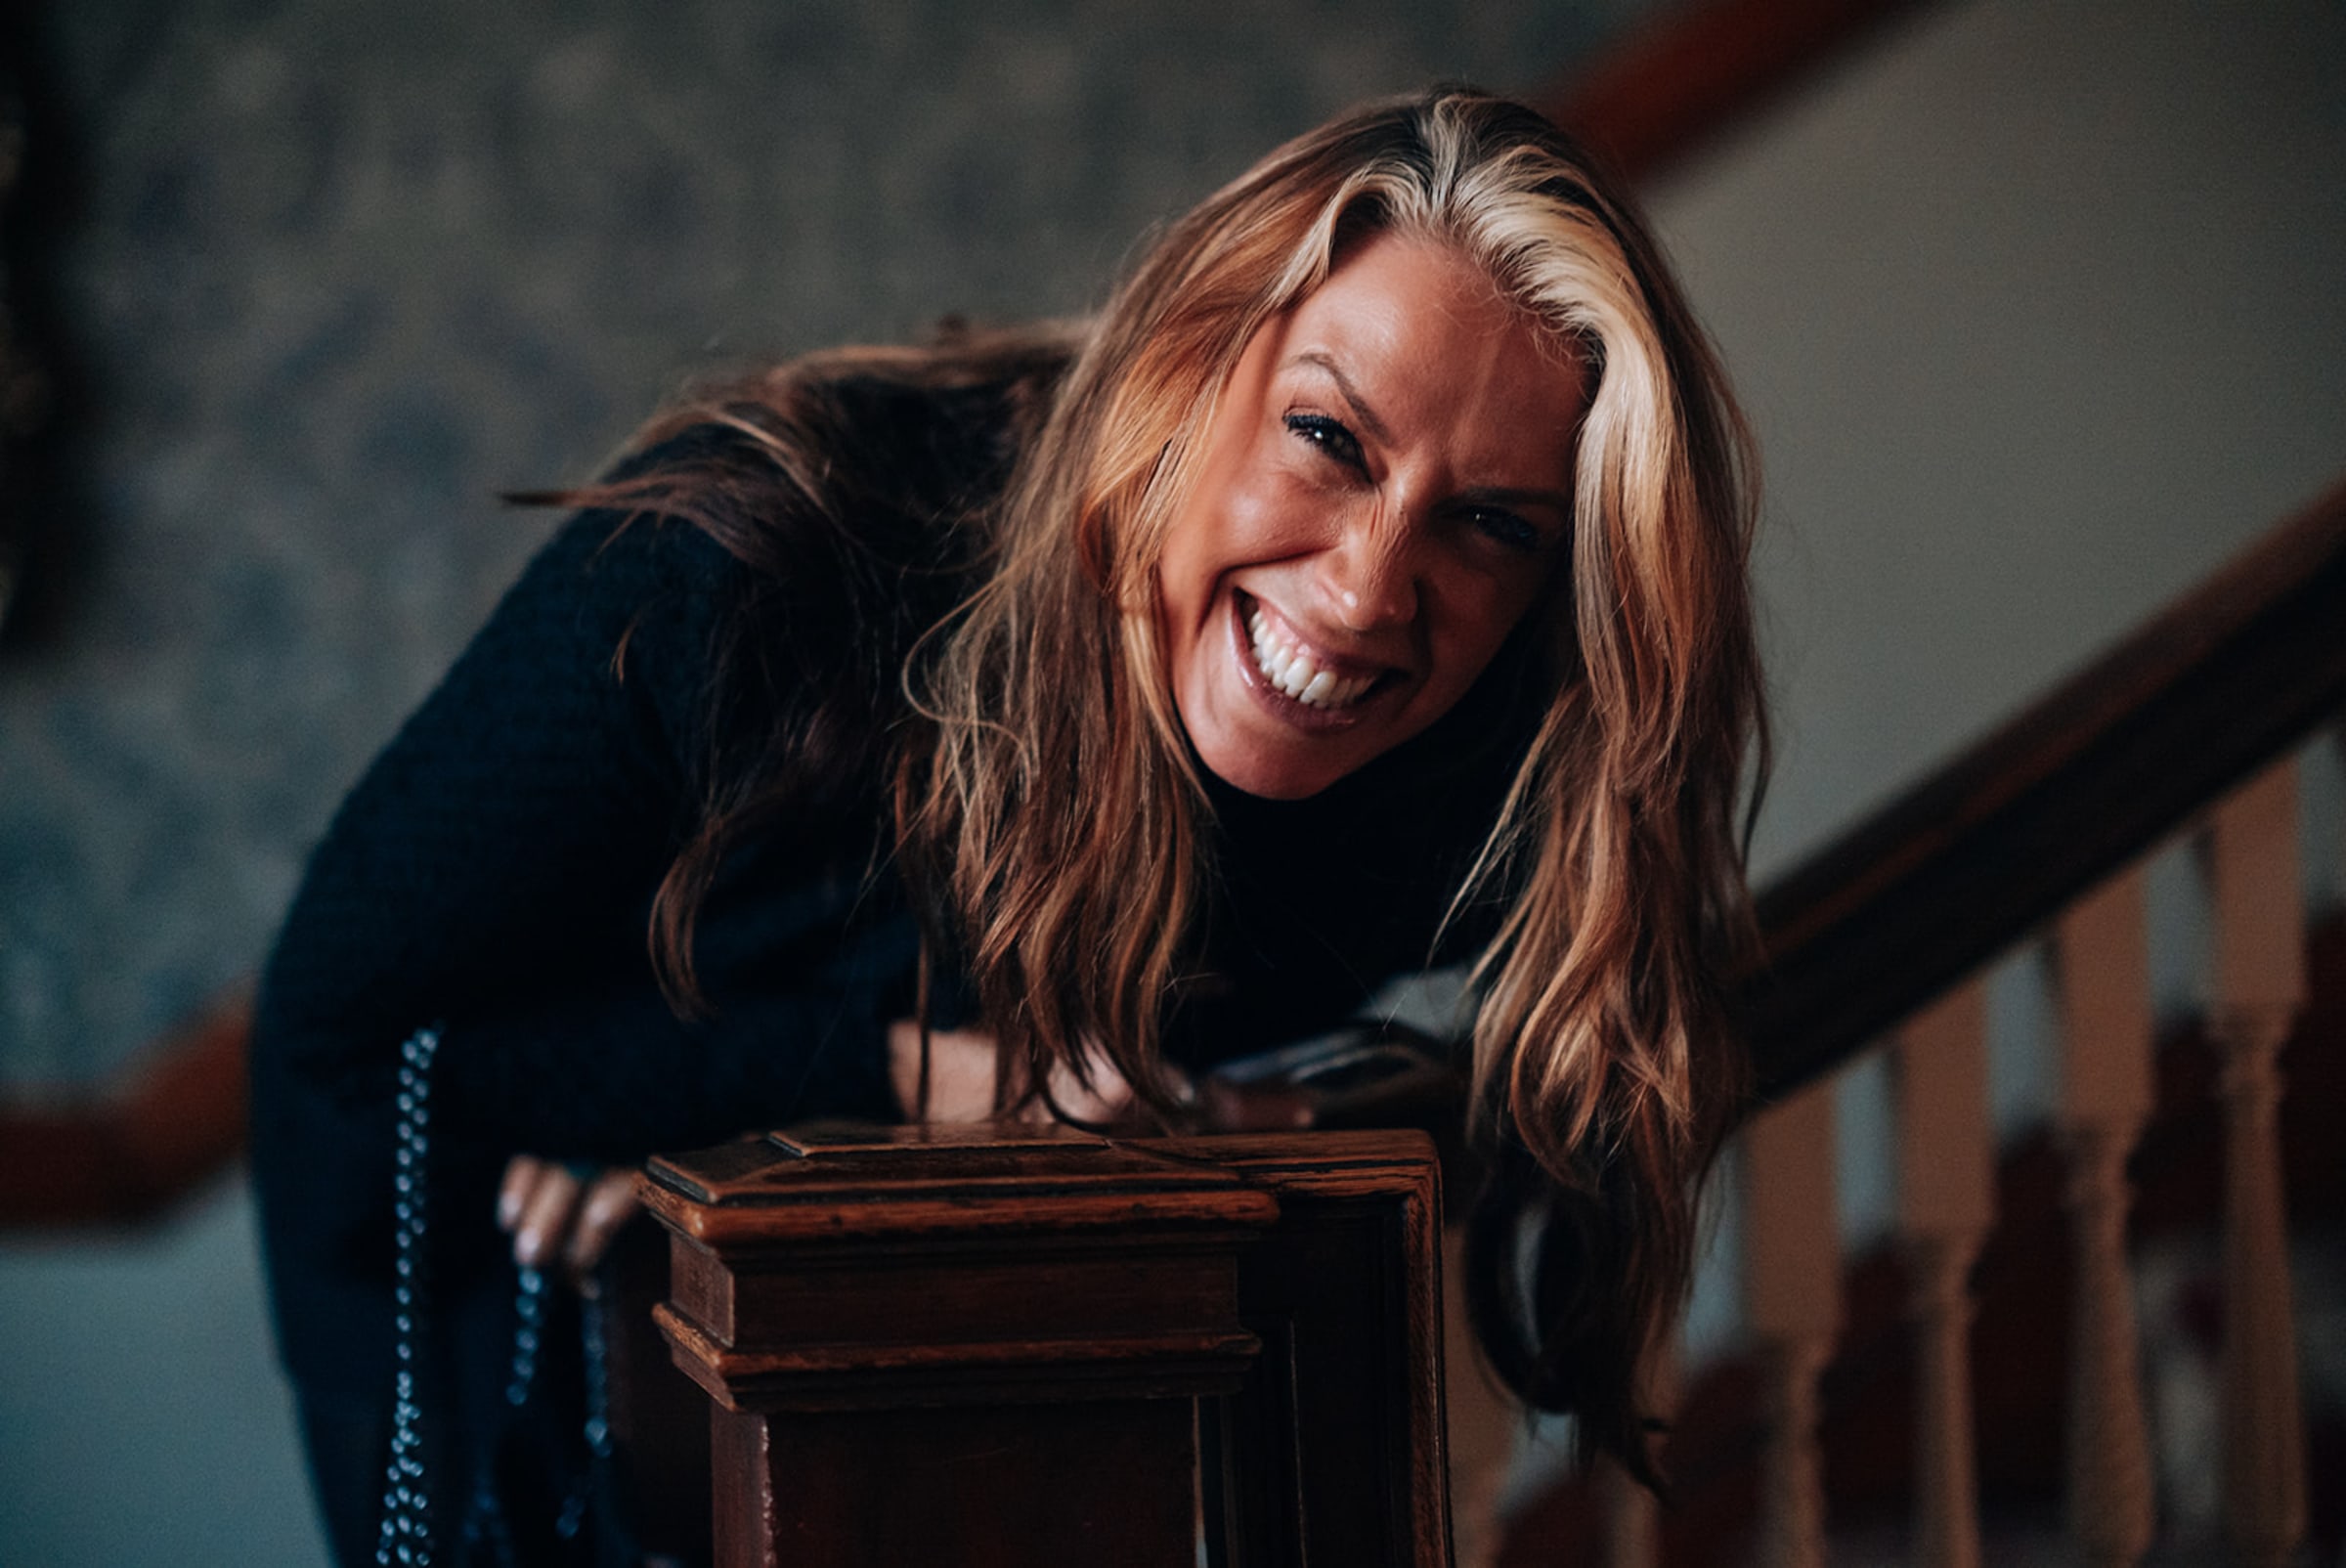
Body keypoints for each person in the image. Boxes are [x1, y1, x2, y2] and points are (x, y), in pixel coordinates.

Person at [251, 87, 1764, 1566]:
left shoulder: (1495, 749)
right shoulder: (742, 571)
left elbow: (1534, 1087)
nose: (1371, 590)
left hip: (968, 1429)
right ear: (1187, 366)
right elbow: (332, 1059)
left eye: (1491, 522)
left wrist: (1290, 1112)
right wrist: (851, 1087)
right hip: (518, 1410)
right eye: (1329, 437)